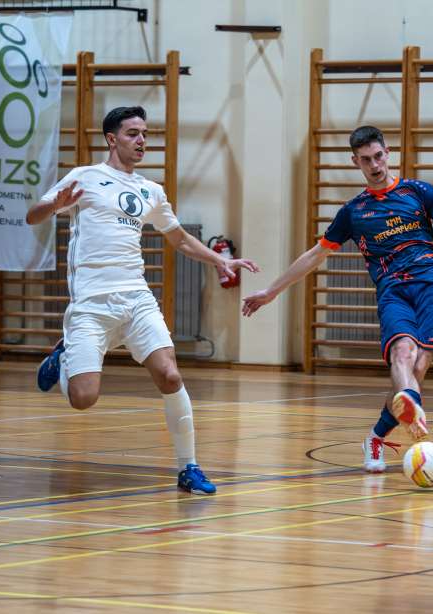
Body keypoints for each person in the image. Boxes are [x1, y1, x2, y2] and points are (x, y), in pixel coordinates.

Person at [242, 125, 433, 472]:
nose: (375, 165)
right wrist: (271, 291)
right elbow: (314, 255)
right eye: (366, 160)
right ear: (356, 163)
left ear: (388, 153)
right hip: (393, 292)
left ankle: (378, 435)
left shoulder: (419, 192)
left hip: (432, 289)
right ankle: (413, 415)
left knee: (417, 368)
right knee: (402, 354)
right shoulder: (354, 211)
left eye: (378, 156)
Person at [27, 106, 258, 495]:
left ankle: (188, 467)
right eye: (133, 133)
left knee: (170, 374)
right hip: (91, 304)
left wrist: (220, 258)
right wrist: (54, 204)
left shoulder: (151, 191)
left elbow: (180, 238)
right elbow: (33, 216)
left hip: (136, 298)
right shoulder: (85, 177)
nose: (142, 141)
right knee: (83, 399)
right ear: (111, 138)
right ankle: (64, 358)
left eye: (145, 134)